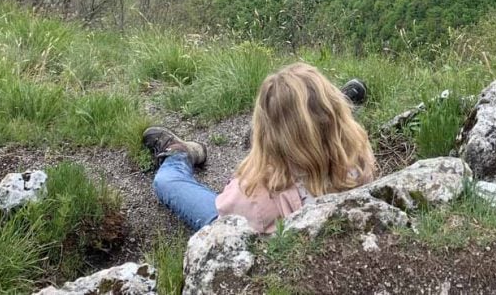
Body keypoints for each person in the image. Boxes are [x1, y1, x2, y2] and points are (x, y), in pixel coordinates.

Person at [143, 63, 375, 233]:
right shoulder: (357, 150)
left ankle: (179, 154)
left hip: (254, 224)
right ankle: (331, 106)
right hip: (325, 171)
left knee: (167, 182)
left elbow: (226, 213)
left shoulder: (255, 192)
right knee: (308, 128)